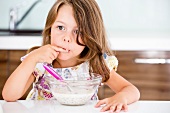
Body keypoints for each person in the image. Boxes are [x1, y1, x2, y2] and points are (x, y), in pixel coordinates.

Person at [2, 0, 140, 112]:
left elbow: (131, 90)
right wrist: (31, 59)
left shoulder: (94, 65)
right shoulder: (40, 63)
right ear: (50, 30)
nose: (66, 38)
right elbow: (9, 95)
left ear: (90, 36)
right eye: (60, 27)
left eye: (77, 31)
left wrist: (121, 97)